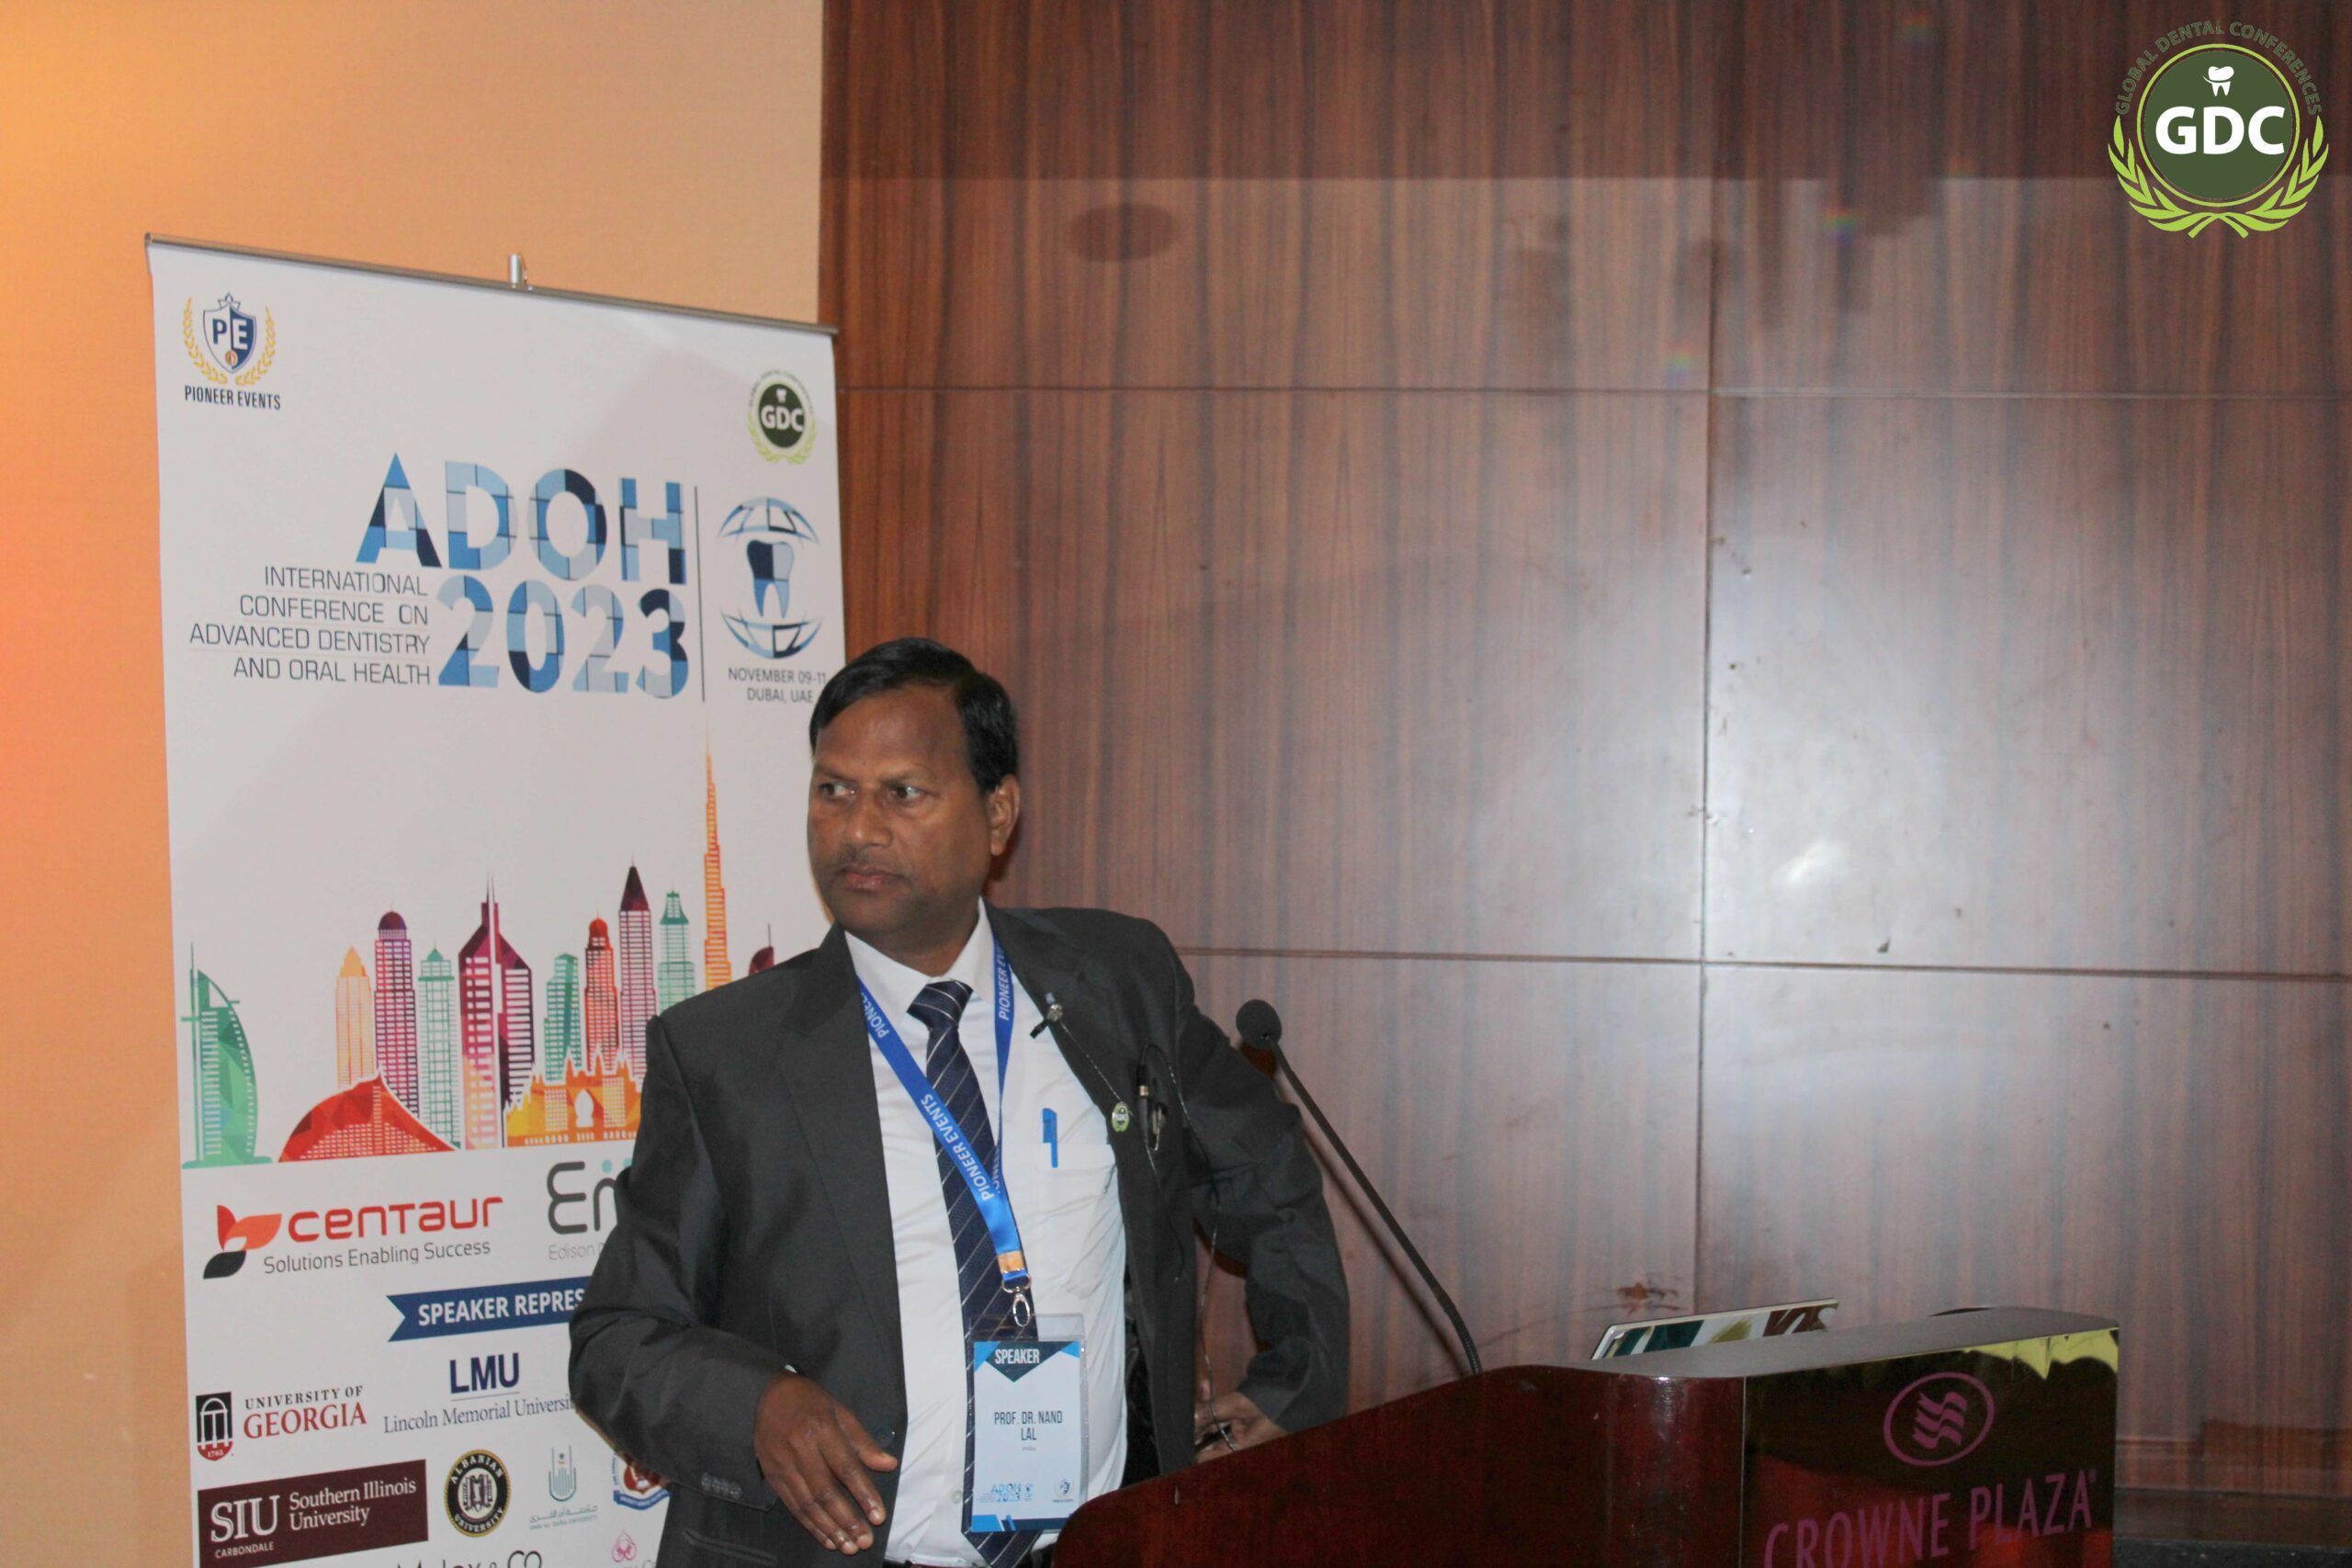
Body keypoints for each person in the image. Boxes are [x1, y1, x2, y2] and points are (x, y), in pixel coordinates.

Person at [571, 637, 1350, 1567]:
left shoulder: (1116, 983)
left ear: (998, 814)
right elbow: (618, 1340)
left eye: (902, 793)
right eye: (833, 790)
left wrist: (1295, 1384)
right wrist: (758, 1405)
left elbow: (1267, 1171)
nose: (857, 828)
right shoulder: (726, 1054)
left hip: (1097, 1543)